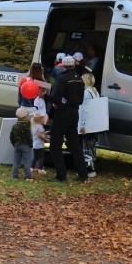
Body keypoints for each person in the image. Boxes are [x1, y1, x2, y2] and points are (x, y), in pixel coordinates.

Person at [49, 55, 88, 183]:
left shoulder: (63, 79)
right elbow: (81, 100)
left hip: (62, 114)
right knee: (74, 145)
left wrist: (45, 96)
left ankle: (61, 174)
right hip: (74, 113)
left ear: (63, 66)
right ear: (74, 65)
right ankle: (83, 174)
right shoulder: (80, 79)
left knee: (55, 144)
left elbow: (56, 99)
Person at [79, 72, 100, 178]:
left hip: (87, 125)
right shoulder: (95, 92)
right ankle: (92, 168)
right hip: (94, 124)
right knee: (91, 147)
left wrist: (82, 125)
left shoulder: (86, 93)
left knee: (85, 147)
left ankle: (88, 170)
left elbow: (84, 109)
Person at [10, 107, 34, 181]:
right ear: (24, 117)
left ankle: (15, 175)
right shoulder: (26, 126)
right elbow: (29, 136)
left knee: (16, 161)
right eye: (27, 115)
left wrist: (14, 144)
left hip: (17, 145)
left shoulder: (15, 125)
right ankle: (28, 176)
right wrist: (31, 145)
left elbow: (11, 136)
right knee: (27, 161)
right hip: (25, 145)